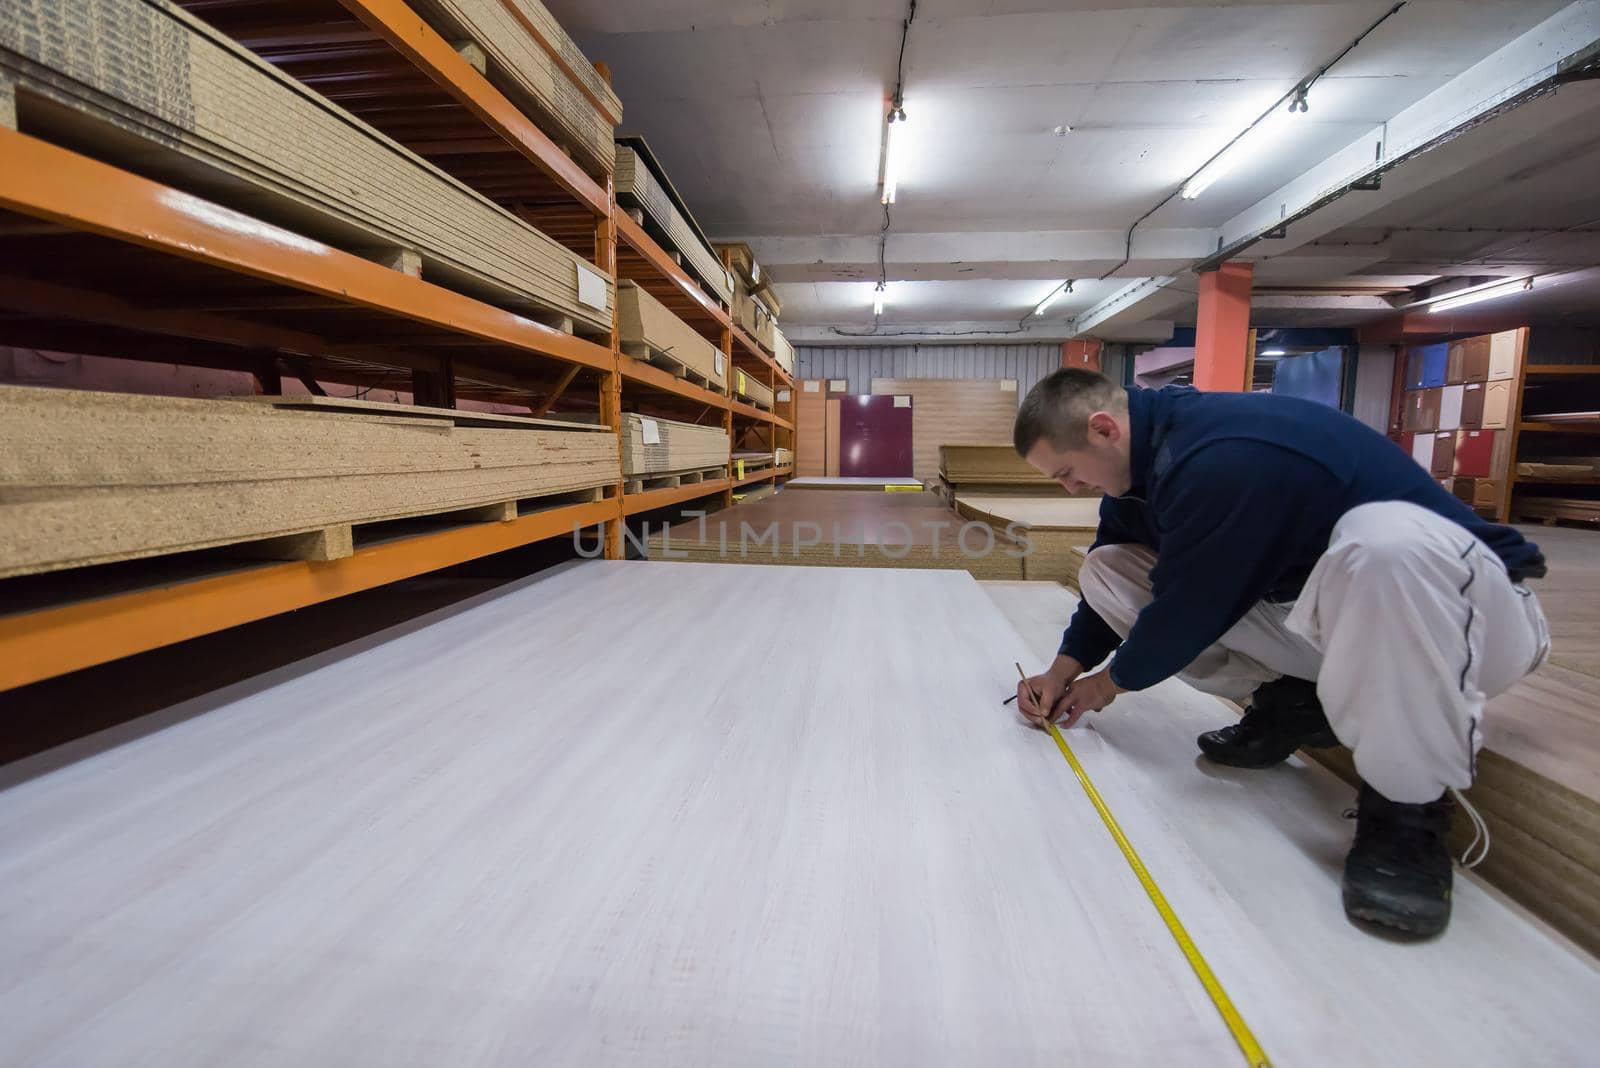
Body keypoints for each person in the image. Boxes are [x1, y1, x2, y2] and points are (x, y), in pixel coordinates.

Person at [1012, 368, 1549, 939]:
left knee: (1385, 544)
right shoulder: (1141, 473)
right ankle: (1296, 698)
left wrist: (1105, 685)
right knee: (1111, 567)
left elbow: (1190, 607)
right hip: (1346, 629)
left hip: (1472, 628)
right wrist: (1062, 668)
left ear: (1102, 430)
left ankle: (1405, 814)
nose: (1068, 489)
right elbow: (1136, 589)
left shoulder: (1223, 455)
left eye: (1068, 474)